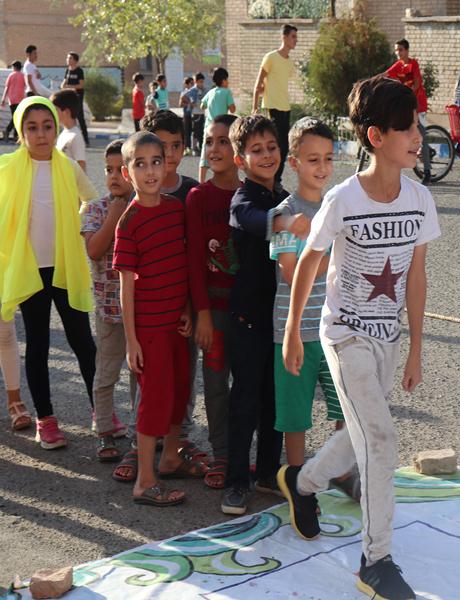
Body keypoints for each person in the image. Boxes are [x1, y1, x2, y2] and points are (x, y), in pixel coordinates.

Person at [278, 75, 440, 600]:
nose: (417, 137)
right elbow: (309, 261)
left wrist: (415, 347)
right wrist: (293, 332)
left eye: (417, 126)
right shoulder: (343, 199)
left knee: (359, 434)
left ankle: (301, 482)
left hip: (387, 338)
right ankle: (376, 561)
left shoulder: (419, 199)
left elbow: (416, 275)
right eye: (407, 128)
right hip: (344, 335)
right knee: (381, 438)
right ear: (375, 136)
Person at [221, 114, 308, 515]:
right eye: (256, 150)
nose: (267, 155)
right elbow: (253, 221)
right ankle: (236, 481)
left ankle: (268, 473)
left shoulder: (287, 196)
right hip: (249, 320)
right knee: (245, 402)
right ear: (241, 160)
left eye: (271, 147)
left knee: (277, 401)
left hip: (282, 320)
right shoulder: (243, 200)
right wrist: (286, 221)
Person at [113, 109, 204, 483]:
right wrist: (131, 340)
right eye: (140, 164)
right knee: (153, 401)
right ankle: (145, 480)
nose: (150, 171)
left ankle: (169, 459)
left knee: (178, 394)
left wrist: (187, 308)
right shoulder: (128, 222)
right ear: (127, 173)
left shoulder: (176, 209)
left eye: (156, 161)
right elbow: (126, 287)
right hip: (148, 332)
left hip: (176, 327)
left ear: (166, 164)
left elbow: (183, 265)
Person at [0, 96, 97, 449]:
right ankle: (46, 419)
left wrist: (76, 223)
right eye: (32, 127)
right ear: (20, 132)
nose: (40, 134)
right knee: (38, 343)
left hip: (65, 267)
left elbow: (92, 199)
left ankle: (101, 411)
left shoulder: (67, 167)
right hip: (30, 271)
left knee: (83, 342)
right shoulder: (7, 168)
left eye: (47, 126)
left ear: (56, 129)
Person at [270, 117, 345, 473]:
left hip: (335, 329)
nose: (323, 167)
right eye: (313, 159)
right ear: (294, 163)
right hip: (294, 332)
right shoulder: (285, 214)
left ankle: (343, 472)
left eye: (328, 158)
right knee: (295, 416)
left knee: (345, 407)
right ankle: (297, 480)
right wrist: (337, 259)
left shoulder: (337, 207)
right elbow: (290, 271)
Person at [185, 114, 240, 490]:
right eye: (209, 141)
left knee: (250, 385)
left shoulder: (254, 194)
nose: (215, 148)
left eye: (224, 141)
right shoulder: (198, 197)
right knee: (216, 382)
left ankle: (244, 452)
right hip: (214, 312)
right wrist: (202, 314)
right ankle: (221, 452)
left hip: (249, 312)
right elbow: (193, 262)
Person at [80, 140, 135, 461]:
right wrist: (114, 215)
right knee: (107, 373)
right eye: (108, 169)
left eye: (120, 169)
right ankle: (104, 430)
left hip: (141, 310)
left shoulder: (143, 205)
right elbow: (93, 249)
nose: (114, 176)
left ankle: (141, 431)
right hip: (110, 310)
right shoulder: (96, 209)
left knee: (140, 374)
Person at [252, 24, 297, 184]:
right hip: (272, 107)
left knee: (284, 148)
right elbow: (259, 84)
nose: (296, 40)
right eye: (293, 36)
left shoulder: (289, 62)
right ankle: (271, 180)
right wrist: (255, 108)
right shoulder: (270, 57)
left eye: (296, 37)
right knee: (277, 145)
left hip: (286, 107)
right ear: (284, 37)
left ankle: (275, 181)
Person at [386, 39, 431, 184]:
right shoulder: (398, 65)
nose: (397, 53)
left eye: (400, 50)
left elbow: (417, 83)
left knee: (422, 136)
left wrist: (407, 94)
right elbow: (385, 74)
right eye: (396, 50)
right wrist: (368, 82)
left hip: (418, 106)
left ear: (406, 50)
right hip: (407, 106)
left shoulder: (413, 64)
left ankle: (427, 172)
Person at [199, 67, 236, 182]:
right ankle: (226, 179)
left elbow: (202, 105)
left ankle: (201, 181)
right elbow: (233, 109)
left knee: (205, 155)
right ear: (224, 80)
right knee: (224, 153)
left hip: (209, 128)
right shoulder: (227, 92)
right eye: (227, 80)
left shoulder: (210, 92)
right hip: (222, 128)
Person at [51, 89, 87, 171]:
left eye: (55, 110)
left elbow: (81, 166)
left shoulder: (75, 137)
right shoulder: (64, 133)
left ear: (66, 112)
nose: (52, 114)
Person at [61, 52, 88, 145]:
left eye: (70, 58)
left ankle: (85, 139)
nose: (68, 60)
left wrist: (70, 87)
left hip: (78, 97)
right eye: (67, 58)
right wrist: (64, 86)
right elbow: (63, 84)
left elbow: (81, 85)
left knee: (80, 117)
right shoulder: (67, 70)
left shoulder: (79, 71)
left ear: (75, 61)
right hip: (69, 97)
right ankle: (70, 139)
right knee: (68, 116)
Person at [1, 61, 25, 142]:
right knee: (17, 117)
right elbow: (26, 86)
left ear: (14, 67)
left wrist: (3, 99)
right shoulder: (23, 75)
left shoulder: (11, 75)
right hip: (20, 99)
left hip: (12, 99)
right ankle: (9, 131)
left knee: (16, 117)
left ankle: (14, 135)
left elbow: (7, 87)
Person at [189, 73, 206, 155]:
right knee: (195, 131)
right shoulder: (192, 90)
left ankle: (201, 147)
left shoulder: (204, 90)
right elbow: (192, 102)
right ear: (196, 81)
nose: (202, 83)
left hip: (202, 113)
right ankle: (194, 147)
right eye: (200, 82)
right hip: (195, 113)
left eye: (202, 82)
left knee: (201, 131)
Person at [180, 76, 195, 152]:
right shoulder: (184, 93)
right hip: (186, 114)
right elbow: (180, 104)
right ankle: (187, 147)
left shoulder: (194, 92)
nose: (193, 85)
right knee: (187, 131)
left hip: (194, 114)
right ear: (187, 84)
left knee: (194, 131)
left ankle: (194, 147)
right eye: (191, 83)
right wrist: (188, 104)